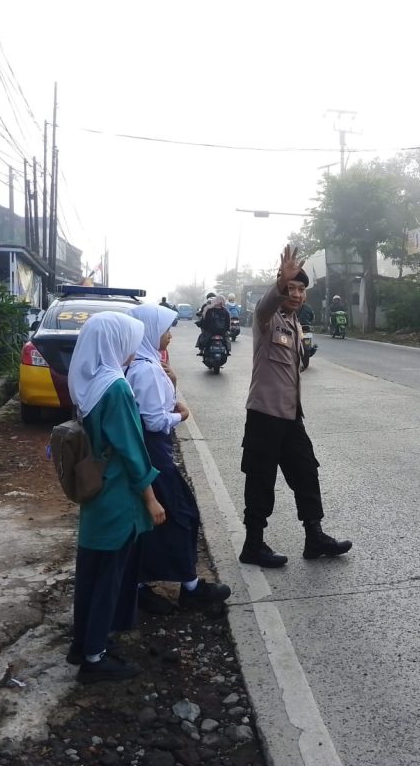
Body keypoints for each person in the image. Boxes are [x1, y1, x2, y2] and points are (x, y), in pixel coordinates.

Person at [65, 311, 167, 684]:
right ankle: (95, 657)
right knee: (109, 577)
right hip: (117, 497)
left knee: (90, 573)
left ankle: (83, 644)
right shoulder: (117, 388)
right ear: (113, 343)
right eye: (127, 341)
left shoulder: (86, 383)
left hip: (96, 495)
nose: (131, 349)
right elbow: (133, 450)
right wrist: (151, 499)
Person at [238, 245, 352, 568]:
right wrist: (278, 286)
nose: (298, 295)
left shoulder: (295, 324)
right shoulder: (267, 319)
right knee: (260, 479)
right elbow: (265, 304)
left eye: (302, 290)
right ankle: (253, 544)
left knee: (306, 472)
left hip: (290, 416)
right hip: (263, 415)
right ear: (280, 288)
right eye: (291, 288)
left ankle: (314, 537)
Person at [127, 304, 231, 613]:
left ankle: (154, 584)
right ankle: (188, 587)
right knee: (183, 517)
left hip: (150, 457)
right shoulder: (145, 369)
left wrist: (171, 385)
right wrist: (181, 414)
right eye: (165, 330)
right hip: (156, 458)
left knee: (161, 522)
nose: (170, 335)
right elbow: (154, 420)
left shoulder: (145, 363)